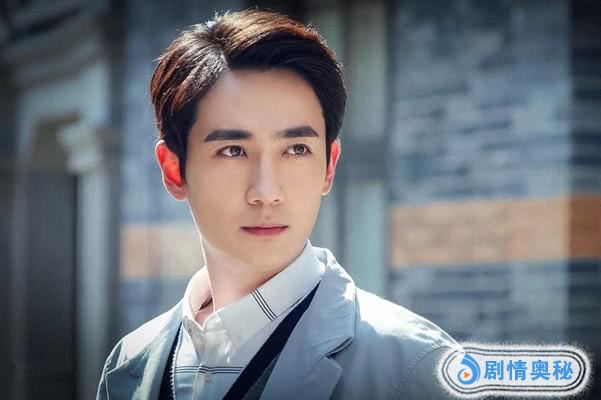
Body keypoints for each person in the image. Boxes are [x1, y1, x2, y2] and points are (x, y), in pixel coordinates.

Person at [96, 8, 461, 400]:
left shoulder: (414, 368)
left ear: (329, 166)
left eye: (296, 149)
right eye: (233, 150)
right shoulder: (129, 365)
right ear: (173, 170)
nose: (266, 192)